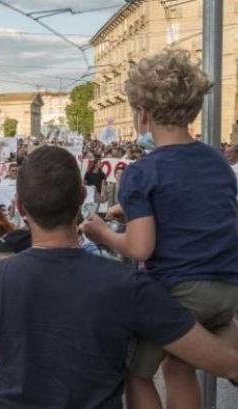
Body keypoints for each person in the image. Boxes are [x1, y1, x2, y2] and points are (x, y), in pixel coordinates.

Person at [0, 146, 238, 408]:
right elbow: (226, 362)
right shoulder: (128, 283)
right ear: (82, 197)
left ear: (20, 207)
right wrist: (225, 326)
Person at [80, 49, 238, 409]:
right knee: (179, 366)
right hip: (227, 288)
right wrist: (134, 209)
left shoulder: (141, 172)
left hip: (179, 293)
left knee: (137, 372)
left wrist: (102, 233)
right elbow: (203, 209)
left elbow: (140, 249)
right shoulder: (217, 161)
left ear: (142, 113)